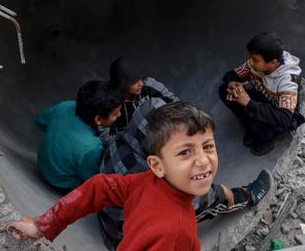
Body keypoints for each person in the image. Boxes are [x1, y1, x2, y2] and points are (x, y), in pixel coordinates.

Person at [8, 102, 222, 250]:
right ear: (157, 165)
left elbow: (99, 187)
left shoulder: (149, 182)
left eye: (208, 146)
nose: (203, 160)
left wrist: (44, 224)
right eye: (185, 152)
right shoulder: (178, 233)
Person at [97, 98, 273, 249]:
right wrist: (220, 192)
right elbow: (199, 199)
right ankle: (249, 196)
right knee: (207, 203)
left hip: (111, 227)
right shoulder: (151, 178)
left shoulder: (119, 141)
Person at [219, 31, 305, 156]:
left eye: (255, 60)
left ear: (273, 63)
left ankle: (266, 138)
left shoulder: (287, 81)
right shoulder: (255, 64)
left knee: (259, 124)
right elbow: (231, 75)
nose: (251, 62)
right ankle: (251, 127)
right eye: (251, 57)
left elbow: (284, 119)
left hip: (278, 114)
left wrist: (248, 103)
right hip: (261, 100)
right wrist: (232, 83)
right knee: (225, 90)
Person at [35, 80, 122, 190]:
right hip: (60, 182)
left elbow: (40, 122)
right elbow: (90, 178)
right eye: (115, 114)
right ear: (98, 119)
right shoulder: (92, 148)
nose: (119, 115)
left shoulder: (65, 106)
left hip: (42, 164)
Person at [97, 57, 177, 145]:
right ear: (122, 83)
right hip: (128, 142)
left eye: (141, 78)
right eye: (134, 81)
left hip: (156, 132)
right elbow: (105, 138)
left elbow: (174, 102)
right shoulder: (110, 100)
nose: (141, 84)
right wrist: (132, 142)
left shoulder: (148, 83)